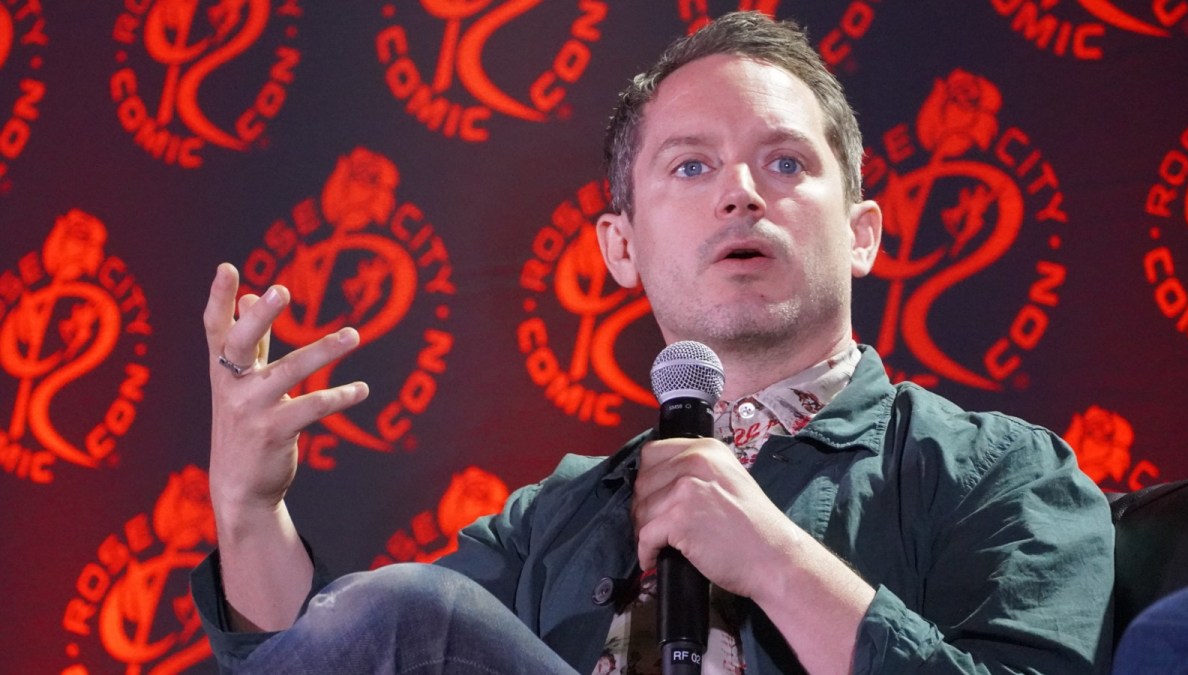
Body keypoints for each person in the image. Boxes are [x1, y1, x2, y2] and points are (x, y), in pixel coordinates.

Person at [192, 11, 1114, 674]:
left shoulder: (1003, 474)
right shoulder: (554, 518)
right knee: (402, 617)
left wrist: (774, 561)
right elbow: (337, 653)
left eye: (787, 162)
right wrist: (245, 510)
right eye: (691, 165)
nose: (742, 193)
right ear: (621, 248)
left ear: (863, 231)